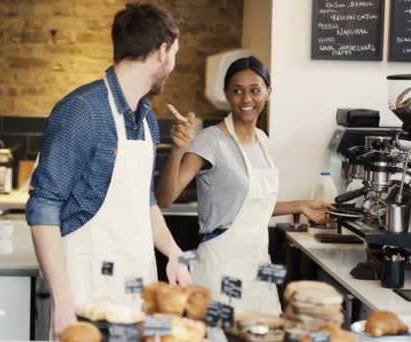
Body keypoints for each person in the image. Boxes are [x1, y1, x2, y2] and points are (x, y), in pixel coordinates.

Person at [25, 3, 190, 337]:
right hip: (84, 298)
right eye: (174, 53)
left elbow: (146, 203)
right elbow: (43, 206)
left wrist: (173, 253)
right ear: (161, 52)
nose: (173, 64)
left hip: (135, 294)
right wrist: (64, 301)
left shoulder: (147, 121)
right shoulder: (82, 111)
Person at [156, 56, 332, 318]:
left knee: (267, 332)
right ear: (227, 94)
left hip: (259, 267)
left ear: (268, 93)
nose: (246, 99)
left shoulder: (262, 140)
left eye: (255, 90)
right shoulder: (211, 141)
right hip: (221, 265)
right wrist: (178, 149)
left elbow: (251, 207)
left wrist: (300, 205)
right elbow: (166, 198)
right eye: (237, 91)